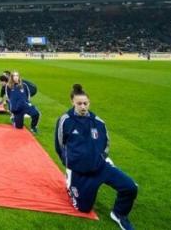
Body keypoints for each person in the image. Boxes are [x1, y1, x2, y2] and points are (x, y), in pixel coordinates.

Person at [55, 84, 138, 230]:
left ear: (89, 103)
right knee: (83, 209)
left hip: (100, 167)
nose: (83, 106)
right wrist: (70, 164)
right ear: (72, 102)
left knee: (130, 187)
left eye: (85, 103)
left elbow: (106, 144)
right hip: (80, 172)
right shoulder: (65, 120)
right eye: (79, 103)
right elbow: (59, 145)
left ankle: (119, 214)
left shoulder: (98, 122)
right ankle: (70, 182)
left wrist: (101, 158)